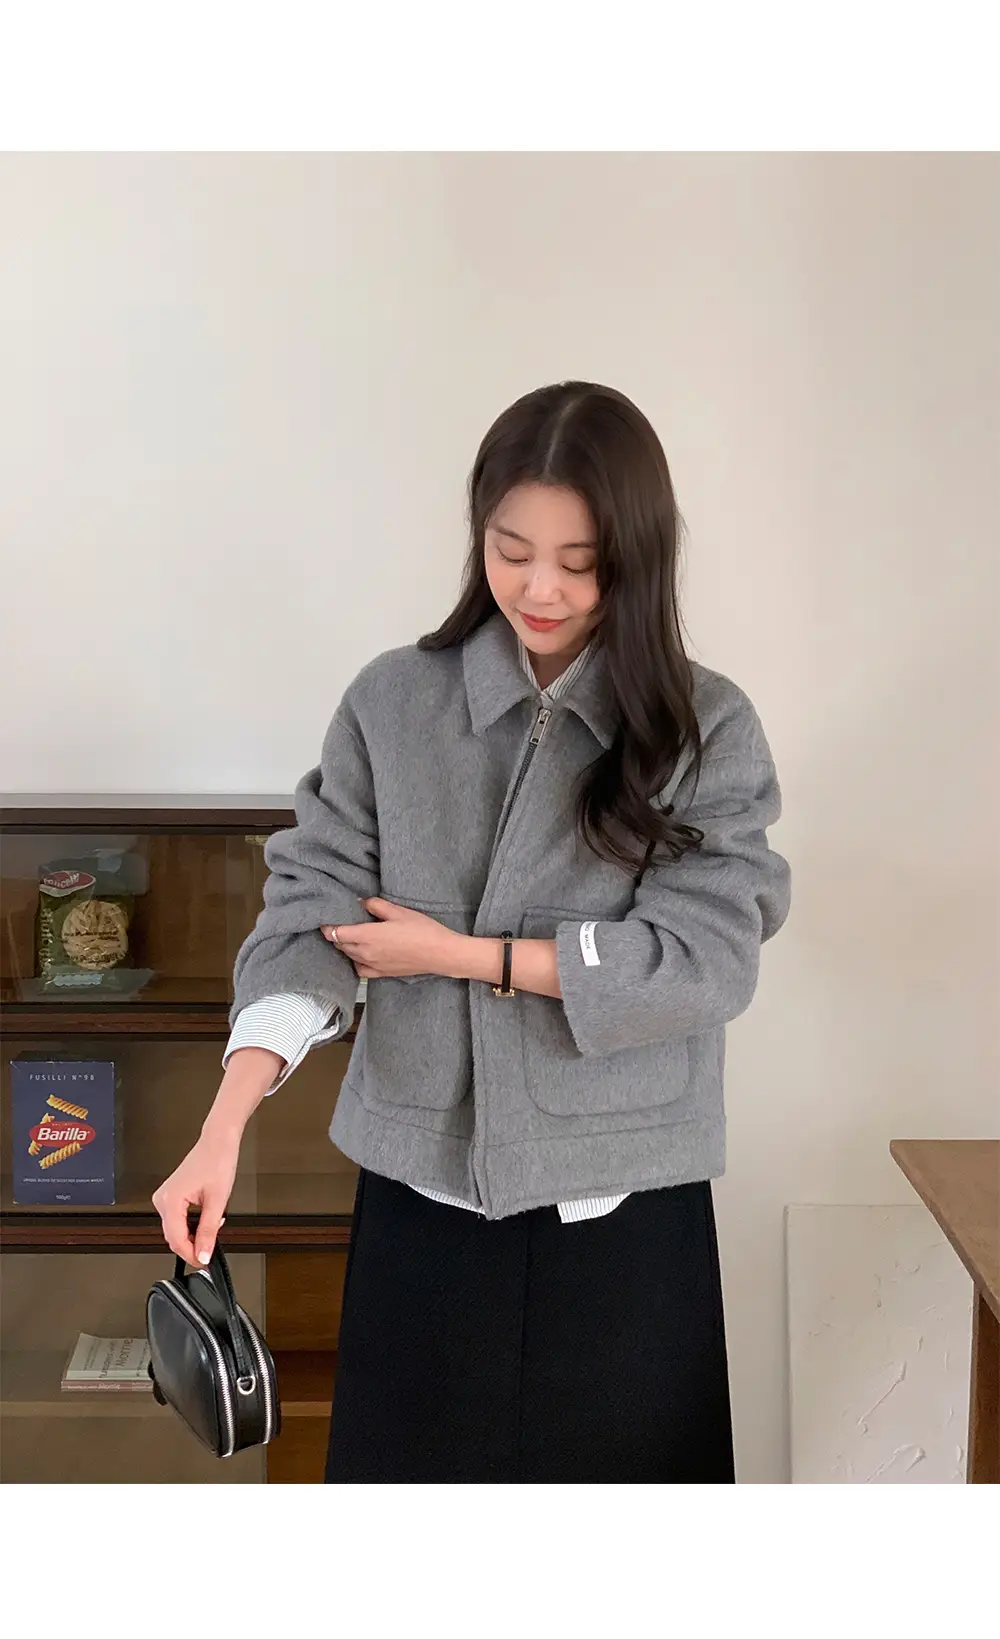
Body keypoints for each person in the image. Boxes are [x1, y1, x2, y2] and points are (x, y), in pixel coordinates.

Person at [153, 380, 791, 1483]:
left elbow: (706, 963)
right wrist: (223, 1124)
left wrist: (462, 957)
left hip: (625, 1213)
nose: (540, 588)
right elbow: (309, 907)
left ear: (638, 557)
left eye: (580, 561)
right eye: (511, 549)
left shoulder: (706, 726)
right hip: (422, 1208)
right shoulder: (392, 703)